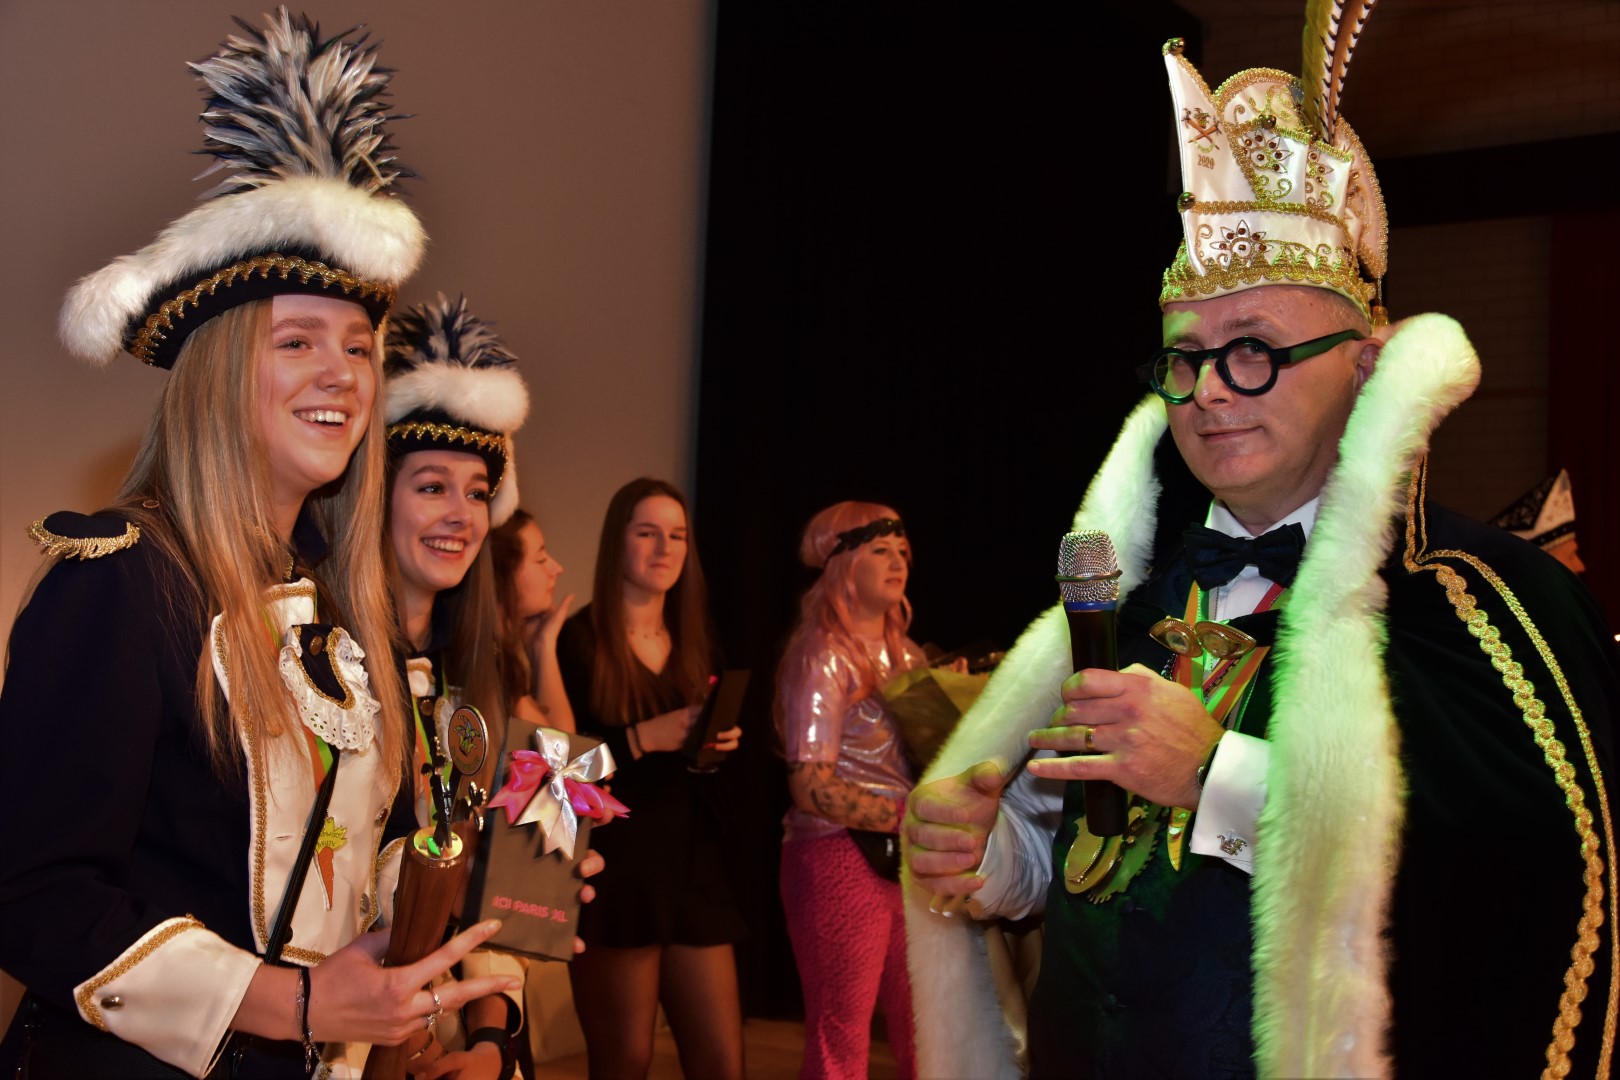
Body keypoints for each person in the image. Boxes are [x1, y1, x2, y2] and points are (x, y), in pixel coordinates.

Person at [903, 14, 1620, 1080]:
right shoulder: (1127, 603)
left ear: (1367, 366)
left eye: (1254, 350)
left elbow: (1512, 891)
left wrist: (1218, 778)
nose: (1207, 392)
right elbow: (1086, 864)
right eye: (1184, 357)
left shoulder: (1483, 606)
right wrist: (994, 856)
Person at [0, 13, 519, 1078]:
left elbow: (349, 879)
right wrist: (296, 1004)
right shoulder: (120, 584)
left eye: (359, 348)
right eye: (297, 341)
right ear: (220, 370)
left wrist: (441, 966)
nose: (341, 375)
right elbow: (34, 897)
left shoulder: (343, 620)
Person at [382, 294, 550, 1080]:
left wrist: (489, 1041)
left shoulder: (480, 680)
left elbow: (503, 898)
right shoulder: (322, 674)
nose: (460, 515)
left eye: (477, 492)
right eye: (431, 486)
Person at [555, 478, 745, 1079]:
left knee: (722, 1062)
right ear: (618, 541)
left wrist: (717, 745)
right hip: (616, 876)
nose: (665, 548)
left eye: (677, 536)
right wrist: (640, 739)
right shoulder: (577, 643)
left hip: (693, 869)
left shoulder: (698, 640)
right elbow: (557, 776)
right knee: (625, 1060)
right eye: (647, 533)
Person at [774, 503, 925, 1080]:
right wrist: (908, 816)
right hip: (837, 854)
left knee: (926, 1033)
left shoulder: (907, 654)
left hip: (905, 858)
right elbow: (810, 785)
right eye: (880, 551)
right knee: (840, 1040)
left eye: (902, 552)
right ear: (841, 564)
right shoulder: (822, 655)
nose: (897, 563)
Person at [490, 509, 577, 732]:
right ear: (501, 574)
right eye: (541, 559)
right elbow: (562, 747)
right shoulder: (487, 659)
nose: (557, 569)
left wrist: (544, 646)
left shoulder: (503, 650)